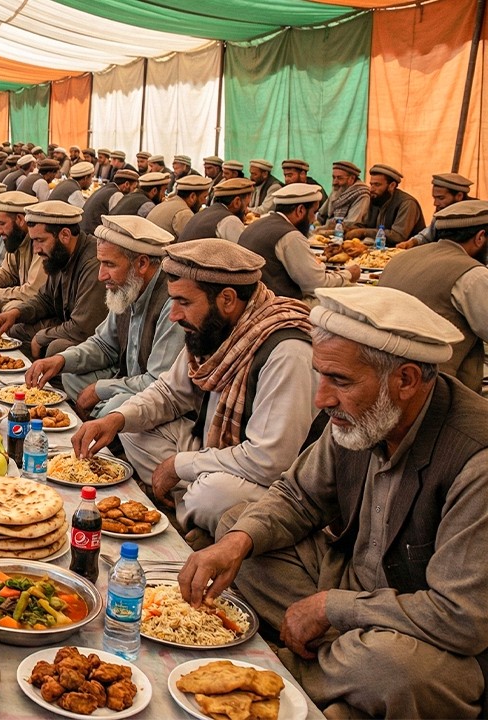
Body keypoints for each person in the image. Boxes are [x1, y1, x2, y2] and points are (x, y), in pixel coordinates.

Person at [178, 285, 482, 719]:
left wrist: (329, 608)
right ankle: (340, 685)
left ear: (407, 380)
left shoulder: (476, 460)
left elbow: (459, 618)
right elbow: (296, 495)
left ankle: (300, 674)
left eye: (339, 380)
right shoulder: (363, 413)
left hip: (427, 636)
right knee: (237, 525)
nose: (322, 398)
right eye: (321, 375)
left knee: (392, 669)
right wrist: (236, 543)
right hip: (352, 587)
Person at [70, 239, 318, 537]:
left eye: (184, 303)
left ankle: (195, 515)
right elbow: (170, 393)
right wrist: (116, 420)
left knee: (213, 494)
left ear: (227, 299)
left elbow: (268, 462)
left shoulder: (286, 352)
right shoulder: (215, 328)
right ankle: (191, 509)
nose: (174, 315)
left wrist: (180, 465)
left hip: (270, 482)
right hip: (216, 449)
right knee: (131, 427)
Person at [26, 215, 183, 419]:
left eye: (109, 264)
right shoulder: (129, 286)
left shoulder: (171, 302)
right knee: (70, 373)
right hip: (127, 380)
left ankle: (107, 422)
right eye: (101, 263)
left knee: (117, 406)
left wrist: (100, 389)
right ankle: (103, 418)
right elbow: (103, 344)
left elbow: (157, 381)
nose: (101, 275)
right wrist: (60, 360)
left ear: (142, 263)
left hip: (157, 395)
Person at [379, 199, 488, 390]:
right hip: (436, 387)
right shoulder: (472, 274)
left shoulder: (400, 259)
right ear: (480, 238)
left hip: (383, 372)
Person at [0, 200, 105, 358]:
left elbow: (82, 328)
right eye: (33, 240)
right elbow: (45, 299)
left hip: (90, 339)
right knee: (16, 328)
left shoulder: (93, 264)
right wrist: (15, 313)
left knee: (56, 347)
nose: (36, 249)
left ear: (65, 235)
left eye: (40, 240)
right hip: (67, 325)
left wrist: (42, 337)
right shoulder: (59, 255)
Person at [239, 183, 358, 299]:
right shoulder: (290, 236)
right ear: (300, 210)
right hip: (277, 305)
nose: (314, 220)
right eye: (313, 212)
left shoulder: (257, 224)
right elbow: (316, 284)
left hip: (254, 299)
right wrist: (348, 275)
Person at [347, 164, 426, 246]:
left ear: (392, 186)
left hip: (405, 253)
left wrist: (364, 232)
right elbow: (365, 224)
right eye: (371, 184)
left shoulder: (407, 203)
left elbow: (398, 236)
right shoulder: (376, 198)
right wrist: (347, 229)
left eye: (377, 185)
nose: (372, 189)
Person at [400, 172, 475, 248]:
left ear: (459, 196)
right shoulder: (441, 211)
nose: (435, 203)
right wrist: (411, 242)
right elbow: (427, 235)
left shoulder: (477, 215)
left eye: (441, 198)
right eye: (435, 198)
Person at [178, 178, 254, 243]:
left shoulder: (204, 213)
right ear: (236, 202)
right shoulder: (230, 220)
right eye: (246, 205)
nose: (247, 211)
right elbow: (245, 252)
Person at [146, 175, 211, 239]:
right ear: (192, 196)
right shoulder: (184, 213)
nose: (205, 202)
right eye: (204, 197)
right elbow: (191, 242)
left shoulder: (168, 203)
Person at [81, 168, 139, 235]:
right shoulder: (117, 194)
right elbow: (116, 221)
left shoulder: (106, 187)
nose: (132, 192)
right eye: (133, 188)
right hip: (92, 235)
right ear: (126, 184)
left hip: (84, 230)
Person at [315, 160, 370, 227]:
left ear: (352, 178)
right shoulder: (337, 190)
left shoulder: (362, 194)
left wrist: (324, 228)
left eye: (339, 178)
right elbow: (321, 214)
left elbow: (351, 223)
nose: (334, 182)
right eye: (333, 177)